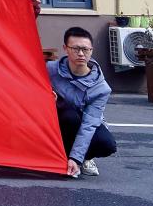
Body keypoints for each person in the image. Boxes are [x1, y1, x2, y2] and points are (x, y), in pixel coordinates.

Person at [48, 27, 117, 177]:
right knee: (69, 116)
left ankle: (81, 158)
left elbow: (89, 124)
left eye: (85, 49)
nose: (81, 54)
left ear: (91, 50)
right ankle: (59, 156)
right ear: (65, 48)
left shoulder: (101, 88)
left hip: (83, 122)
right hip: (55, 120)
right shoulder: (50, 70)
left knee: (107, 144)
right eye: (75, 49)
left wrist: (76, 158)